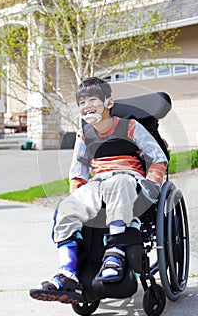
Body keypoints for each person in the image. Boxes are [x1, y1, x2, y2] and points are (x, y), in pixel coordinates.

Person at [31, 77, 168, 302]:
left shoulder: (130, 127)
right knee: (67, 207)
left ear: (108, 102)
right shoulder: (84, 135)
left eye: (92, 100)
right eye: (82, 103)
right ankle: (68, 273)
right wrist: (78, 195)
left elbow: (158, 158)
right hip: (98, 184)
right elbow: (78, 171)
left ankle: (115, 253)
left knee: (118, 183)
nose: (86, 106)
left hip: (128, 178)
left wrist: (152, 188)